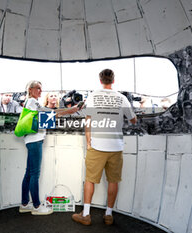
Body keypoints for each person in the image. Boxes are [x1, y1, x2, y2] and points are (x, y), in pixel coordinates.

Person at [72, 69, 137, 226]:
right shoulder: (122, 98)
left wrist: (88, 142)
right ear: (113, 80)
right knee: (113, 181)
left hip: (97, 145)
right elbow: (134, 120)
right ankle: (108, 215)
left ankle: (86, 214)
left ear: (100, 80)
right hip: (115, 146)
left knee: (90, 179)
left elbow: (87, 121)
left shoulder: (93, 96)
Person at [19, 80, 80, 216]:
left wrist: (68, 110)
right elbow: (52, 113)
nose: (40, 91)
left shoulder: (32, 103)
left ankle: (24, 204)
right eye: (38, 88)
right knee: (35, 173)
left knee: (29, 173)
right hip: (35, 140)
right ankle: (36, 206)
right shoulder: (32, 102)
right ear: (30, 89)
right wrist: (71, 110)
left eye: (41, 89)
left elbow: (50, 112)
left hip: (32, 140)